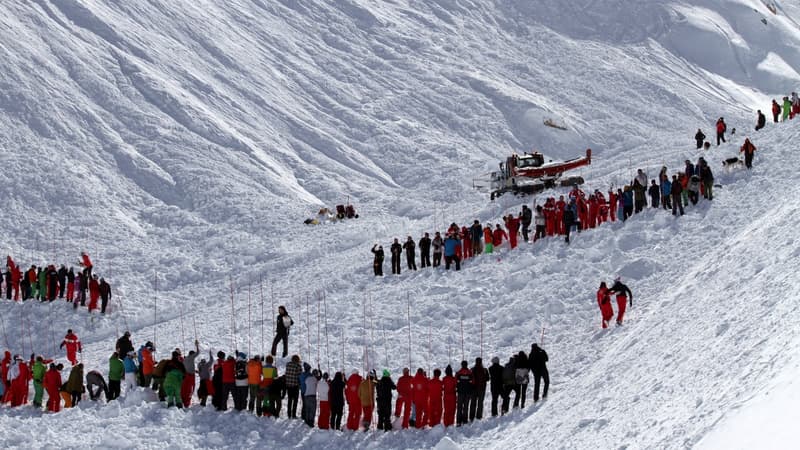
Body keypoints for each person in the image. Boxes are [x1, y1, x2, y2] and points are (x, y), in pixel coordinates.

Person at [181, 341, 200, 407]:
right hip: (190, 376)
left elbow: (187, 367)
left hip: (185, 376)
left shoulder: (185, 359)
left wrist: (195, 371)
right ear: (192, 355)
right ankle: (187, 403)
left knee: (184, 389)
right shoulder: (191, 357)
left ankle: (183, 401)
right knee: (190, 389)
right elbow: (198, 352)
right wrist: (197, 345)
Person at [469, 357, 489, 421]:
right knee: (480, 403)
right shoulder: (485, 370)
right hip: (482, 389)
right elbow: (488, 379)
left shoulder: (472, 369)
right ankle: (479, 416)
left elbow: (469, 378)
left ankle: (471, 417)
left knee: (473, 403)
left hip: (473, 389)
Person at [455, 361, 472, 426]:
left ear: (461, 365)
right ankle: (465, 420)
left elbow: (455, 382)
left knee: (459, 407)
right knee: (466, 407)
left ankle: (458, 421)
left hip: (460, 392)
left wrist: (458, 387)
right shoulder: (470, 373)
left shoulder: (458, 373)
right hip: (467, 392)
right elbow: (473, 382)